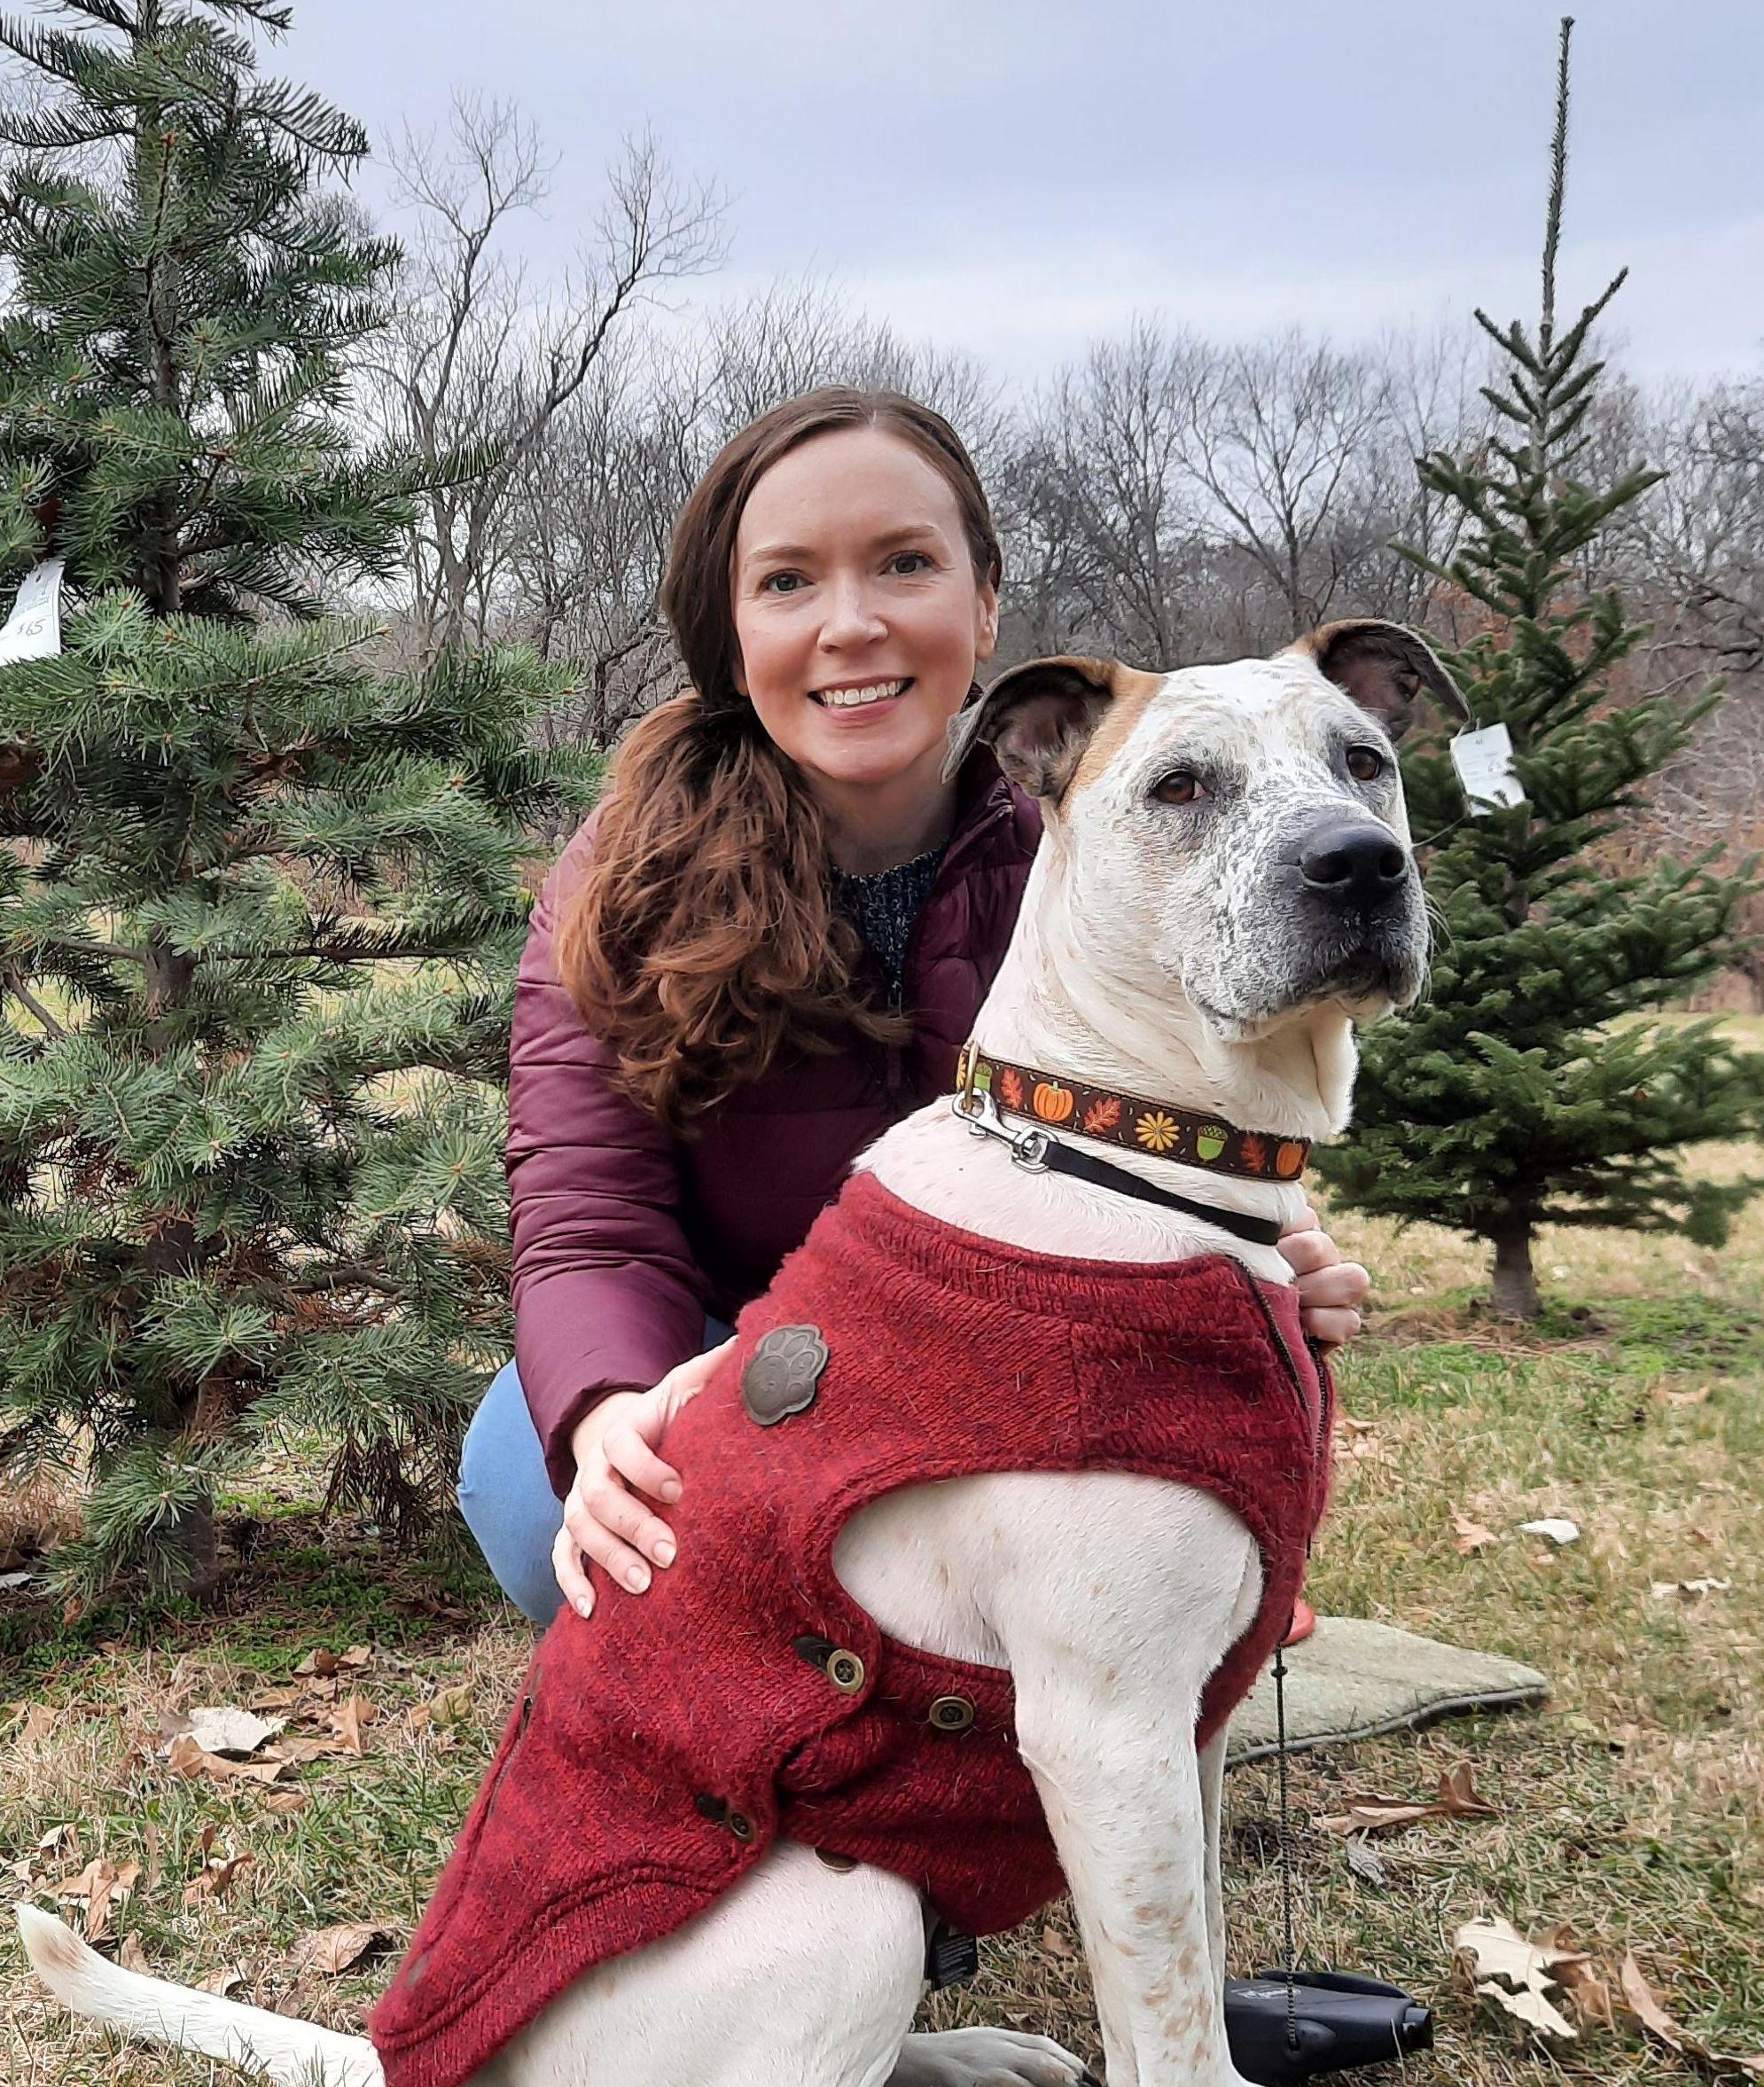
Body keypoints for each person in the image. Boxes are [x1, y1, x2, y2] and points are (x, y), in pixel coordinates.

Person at [458, 387, 1370, 1630]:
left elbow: (1199, 1124)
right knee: (529, 1486)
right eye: (785, 582)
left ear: (983, 600)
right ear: (727, 634)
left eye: (903, 563)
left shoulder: (1105, 839)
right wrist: (613, 1406)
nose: (851, 623)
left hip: (1023, 1336)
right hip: (735, 1341)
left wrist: (1266, 1252)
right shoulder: (623, 877)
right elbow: (591, 1219)